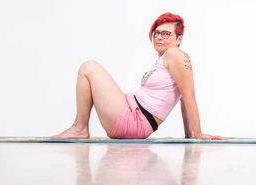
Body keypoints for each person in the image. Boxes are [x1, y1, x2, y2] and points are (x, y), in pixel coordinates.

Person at [51, 12, 225, 140]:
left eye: (166, 34)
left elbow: (189, 97)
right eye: (157, 33)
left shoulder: (175, 54)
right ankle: (80, 127)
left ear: (179, 38)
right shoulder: (165, 60)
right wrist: (190, 135)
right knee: (88, 69)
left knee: (88, 68)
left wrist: (198, 134)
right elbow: (182, 100)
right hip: (131, 112)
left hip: (135, 120)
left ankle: (80, 128)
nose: (159, 37)